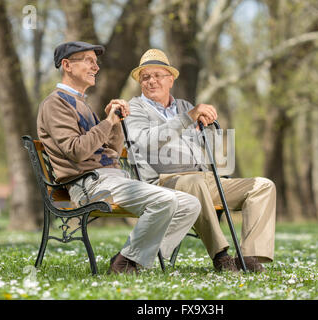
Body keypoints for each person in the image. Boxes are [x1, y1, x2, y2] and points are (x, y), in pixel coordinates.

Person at [36, 42, 200, 274]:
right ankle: (126, 263)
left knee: (190, 204)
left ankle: (131, 260)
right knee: (164, 200)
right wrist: (108, 122)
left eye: (96, 62)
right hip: (89, 184)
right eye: (88, 60)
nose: (96, 66)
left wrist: (115, 124)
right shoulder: (56, 104)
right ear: (67, 65)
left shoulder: (82, 104)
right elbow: (76, 151)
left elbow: (111, 152)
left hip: (110, 180)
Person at [126, 49, 276, 272]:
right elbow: (146, 142)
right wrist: (188, 118)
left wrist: (206, 126)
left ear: (171, 79)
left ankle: (250, 259)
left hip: (204, 179)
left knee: (263, 186)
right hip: (163, 182)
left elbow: (204, 145)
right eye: (145, 77)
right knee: (194, 184)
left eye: (157, 75)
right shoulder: (136, 108)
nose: (151, 81)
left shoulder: (184, 106)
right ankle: (221, 257)